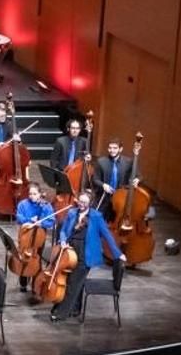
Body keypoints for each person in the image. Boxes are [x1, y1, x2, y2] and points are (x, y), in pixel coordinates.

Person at [49, 191, 124, 322]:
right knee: (70, 281)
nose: (81, 204)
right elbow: (63, 230)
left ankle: (61, 313)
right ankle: (75, 309)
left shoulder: (96, 216)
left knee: (73, 283)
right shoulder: (72, 213)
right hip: (70, 251)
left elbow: (107, 235)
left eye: (85, 202)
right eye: (80, 201)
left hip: (85, 253)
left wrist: (118, 254)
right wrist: (63, 240)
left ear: (90, 203)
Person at [14, 182, 56, 293]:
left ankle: (35, 284)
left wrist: (41, 223)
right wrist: (29, 220)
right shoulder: (23, 204)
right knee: (24, 258)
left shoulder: (45, 206)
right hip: (25, 236)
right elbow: (19, 217)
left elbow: (51, 221)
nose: (32, 196)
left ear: (40, 194)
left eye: (35, 194)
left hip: (39, 238)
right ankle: (23, 283)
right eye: (30, 194)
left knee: (37, 260)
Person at [52, 116, 93, 185]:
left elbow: (86, 156)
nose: (75, 130)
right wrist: (56, 174)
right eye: (73, 128)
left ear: (80, 130)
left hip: (77, 173)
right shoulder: (60, 141)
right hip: (62, 172)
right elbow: (53, 159)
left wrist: (88, 157)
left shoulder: (84, 141)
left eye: (77, 128)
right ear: (68, 129)